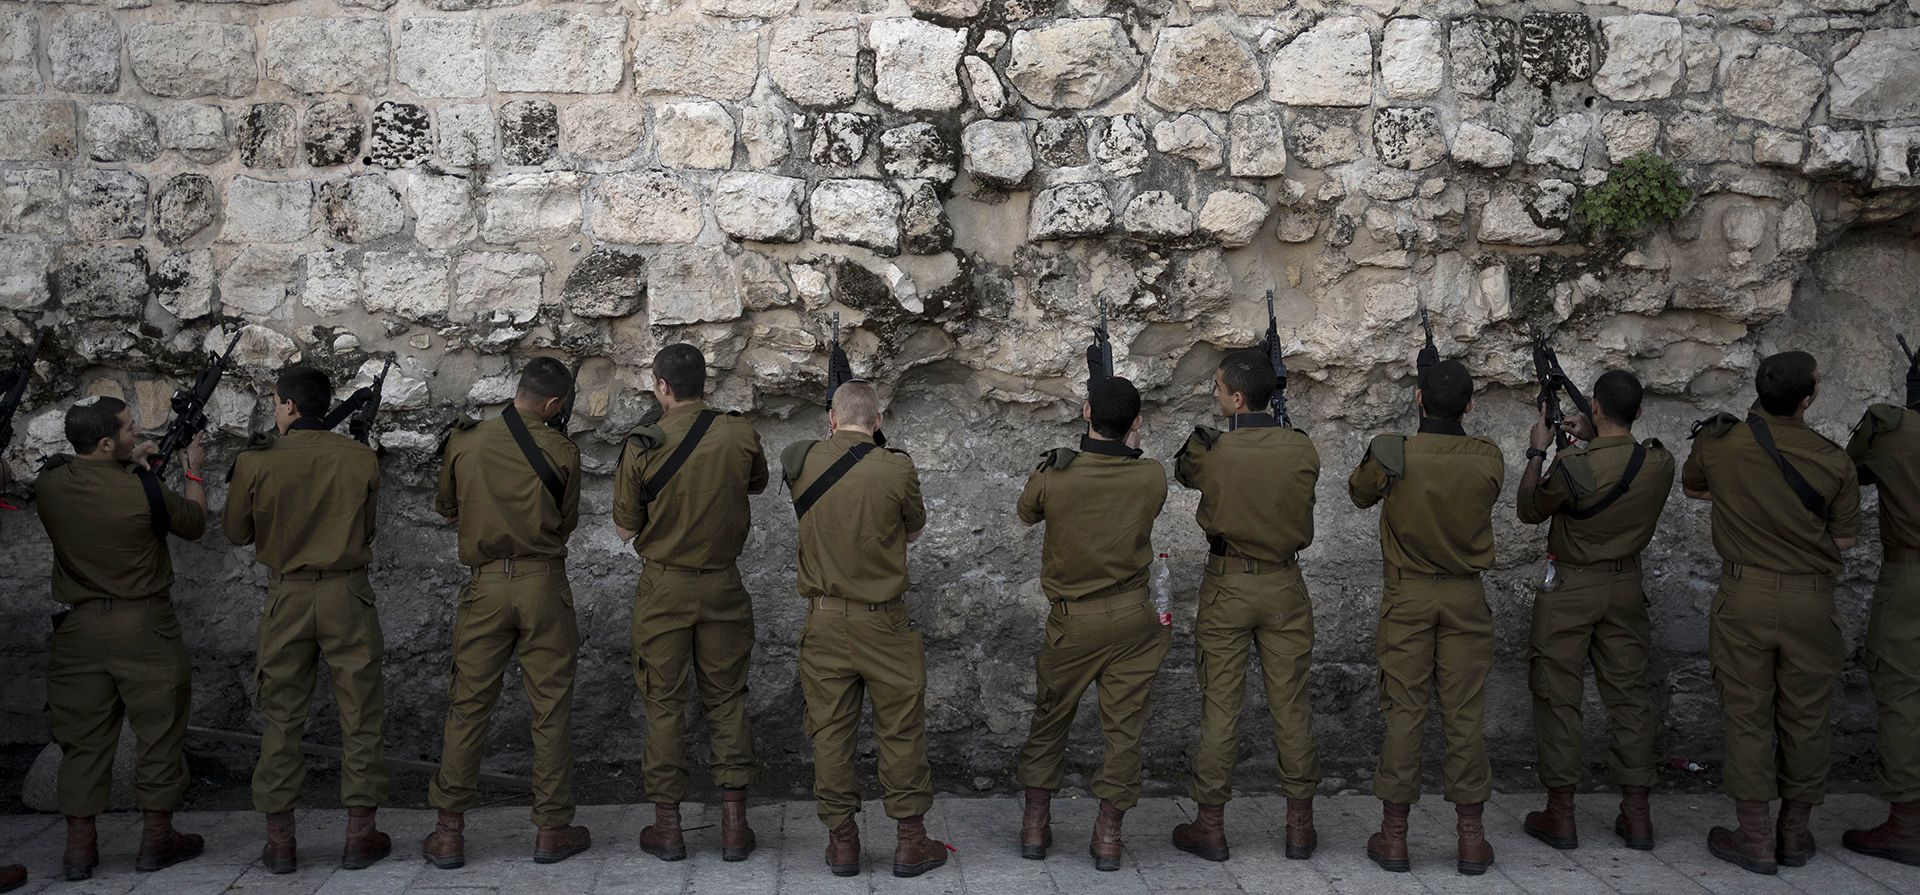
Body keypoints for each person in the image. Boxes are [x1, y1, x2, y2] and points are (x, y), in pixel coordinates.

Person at [1683, 350, 1861, 875]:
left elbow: (1694, 489)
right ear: (1807, 399)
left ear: (1759, 391)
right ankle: (1795, 833)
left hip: (1745, 596)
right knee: (1807, 717)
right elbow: (1846, 539)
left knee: (1746, 714)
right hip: (1811, 600)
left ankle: (1755, 837)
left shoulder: (1719, 444)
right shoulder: (1834, 459)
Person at [424, 357, 590, 868]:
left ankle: (449, 832)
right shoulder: (562, 450)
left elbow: (447, 508)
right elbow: (565, 524)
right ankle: (551, 829)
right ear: (554, 405)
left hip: (486, 587)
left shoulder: (465, 441)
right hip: (543, 584)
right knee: (550, 707)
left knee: (468, 706)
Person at [225, 365, 389, 873]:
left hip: (287, 598)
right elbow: (367, 531)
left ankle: (280, 844)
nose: (275, 411)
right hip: (346, 594)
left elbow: (235, 532)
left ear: (290, 407)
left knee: (281, 718)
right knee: (360, 715)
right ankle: (360, 836)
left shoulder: (257, 463)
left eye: (276, 402)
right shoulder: (360, 459)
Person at [780, 381, 947, 878]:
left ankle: (843, 843)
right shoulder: (895, 465)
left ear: (831, 418)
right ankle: (910, 842)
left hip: (826, 619)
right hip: (884, 622)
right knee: (900, 729)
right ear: (878, 421)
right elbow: (913, 531)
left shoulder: (802, 461)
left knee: (831, 734)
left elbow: (815, 459)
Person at [35, 397, 207, 880]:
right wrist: (192, 471)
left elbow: (81, 477)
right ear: (107, 442)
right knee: (159, 732)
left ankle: (79, 849)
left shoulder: (51, 483)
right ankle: (157, 839)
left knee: (82, 740)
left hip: (78, 630)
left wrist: (129, 463)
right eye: (130, 430)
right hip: (144, 625)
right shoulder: (143, 492)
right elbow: (193, 523)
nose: (138, 435)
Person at [1348, 358, 1505, 876]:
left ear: (1417, 400)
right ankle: (1471, 839)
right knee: (1465, 715)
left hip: (1409, 596)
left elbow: (1358, 492)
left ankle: (1394, 838)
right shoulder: (1488, 458)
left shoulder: (1396, 454)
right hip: (1464, 597)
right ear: (1471, 405)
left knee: (1404, 711)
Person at [613, 344, 768, 862]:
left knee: (664, 702)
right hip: (723, 583)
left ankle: (669, 828)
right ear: (706, 383)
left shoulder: (643, 443)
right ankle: (733, 826)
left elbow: (623, 527)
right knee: (728, 698)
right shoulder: (739, 431)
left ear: (661, 386)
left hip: (664, 588)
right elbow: (758, 483)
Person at [1168, 350, 1321, 863]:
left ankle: (1210, 824)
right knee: (1291, 705)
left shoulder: (1213, 450)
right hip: (1284, 584)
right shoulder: (1301, 448)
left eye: (1218, 389)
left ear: (1236, 399)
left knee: (1220, 706)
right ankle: (1300, 825)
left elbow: (1185, 472)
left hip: (1229, 583)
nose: (1215, 396)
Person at [1514, 371, 1674, 851]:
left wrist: (1541, 449)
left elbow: (1529, 507)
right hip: (1626, 586)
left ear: (1596, 408)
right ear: (1640, 412)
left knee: (1559, 697)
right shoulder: (1659, 462)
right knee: (1629, 698)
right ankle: (1638, 815)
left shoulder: (1571, 466)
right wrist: (1592, 439)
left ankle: (1561, 815)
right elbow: (1617, 459)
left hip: (1571, 588)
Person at [1014, 376, 1169, 872]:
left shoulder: (1055, 475)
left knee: (1050, 719)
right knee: (1124, 730)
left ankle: (1036, 825)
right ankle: (1108, 835)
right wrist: (1130, 445)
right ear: (1136, 423)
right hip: (1132, 617)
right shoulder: (1151, 476)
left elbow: (1026, 511)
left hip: (1073, 622)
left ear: (1085, 413)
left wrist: (1067, 457)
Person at [1842, 350, 1920, 867]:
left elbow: (1849, 473)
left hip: (1910, 575)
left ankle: (1908, 825)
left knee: (1902, 694)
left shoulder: (1891, 428)